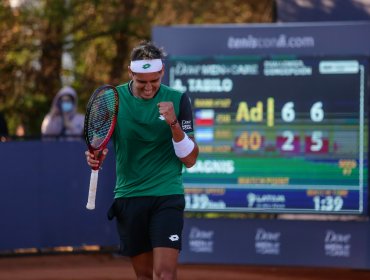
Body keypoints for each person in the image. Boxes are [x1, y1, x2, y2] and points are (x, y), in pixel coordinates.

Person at [85, 41, 199, 280]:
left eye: (154, 81)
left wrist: (173, 124)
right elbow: (98, 142)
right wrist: (95, 155)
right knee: (145, 276)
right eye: (141, 82)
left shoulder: (178, 100)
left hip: (167, 194)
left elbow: (189, 159)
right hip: (130, 197)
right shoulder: (112, 99)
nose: (148, 88)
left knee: (164, 274)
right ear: (130, 73)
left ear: (161, 73)